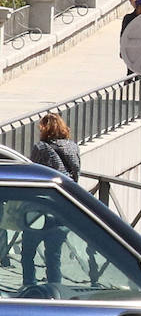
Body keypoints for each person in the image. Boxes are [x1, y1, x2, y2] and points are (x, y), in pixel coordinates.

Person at [14, 113, 80, 285]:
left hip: (39, 207)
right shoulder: (73, 147)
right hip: (62, 207)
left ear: (45, 129)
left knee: (28, 252)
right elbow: (76, 175)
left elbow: (31, 174)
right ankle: (54, 291)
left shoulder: (41, 148)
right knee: (53, 255)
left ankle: (29, 287)